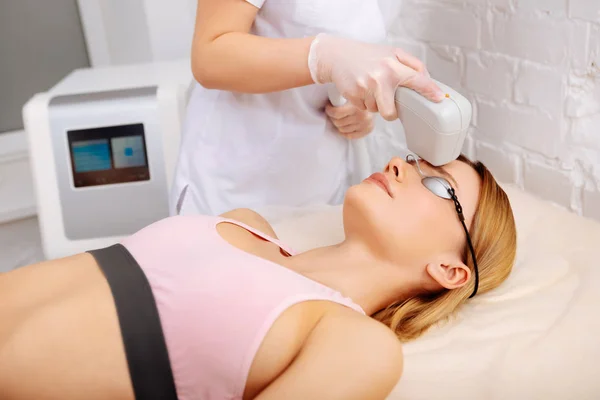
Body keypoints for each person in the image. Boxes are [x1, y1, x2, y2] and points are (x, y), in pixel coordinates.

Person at [0, 155, 516, 400]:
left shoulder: (358, 344)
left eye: (436, 183)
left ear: (451, 269)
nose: (398, 165)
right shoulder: (248, 225)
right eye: (409, 157)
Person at [171, 0, 446, 216]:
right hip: (235, 181)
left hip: (319, 184)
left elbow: (351, 44)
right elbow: (210, 56)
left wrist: (355, 104)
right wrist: (325, 57)